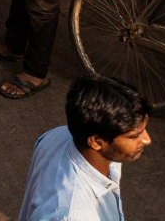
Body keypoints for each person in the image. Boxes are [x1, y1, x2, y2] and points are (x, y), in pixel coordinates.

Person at [18, 77, 152, 221]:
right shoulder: (74, 215)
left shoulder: (56, 136)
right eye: (133, 136)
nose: (147, 140)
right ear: (95, 142)